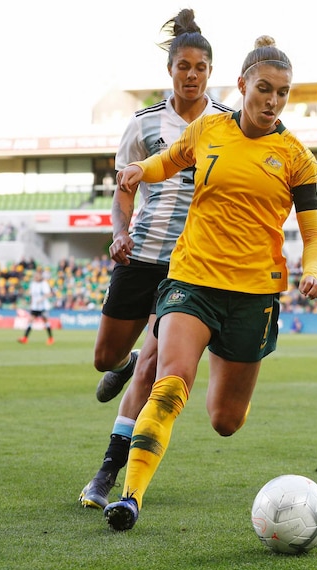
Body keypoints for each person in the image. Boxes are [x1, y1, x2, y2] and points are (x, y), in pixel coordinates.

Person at [102, 35, 317, 530]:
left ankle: (207, 384)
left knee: (226, 420)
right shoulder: (209, 129)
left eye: (283, 92)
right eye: (264, 88)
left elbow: (312, 234)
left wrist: (312, 272)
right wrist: (140, 169)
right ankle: (130, 497)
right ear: (242, 84)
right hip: (193, 278)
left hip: (254, 295)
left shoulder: (296, 157)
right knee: (170, 385)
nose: (272, 101)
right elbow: (172, 160)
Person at [78, 9, 233, 510]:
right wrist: (119, 233)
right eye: (184, 66)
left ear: (212, 72)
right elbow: (124, 190)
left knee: (151, 368)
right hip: (141, 253)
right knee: (108, 358)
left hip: (190, 265)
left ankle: (105, 475)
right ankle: (118, 366)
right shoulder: (143, 123)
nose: (192, 75)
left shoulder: (228, 123)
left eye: (201, 67)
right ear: (170, 71)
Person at [17, 269, 55, 345]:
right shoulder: (33, 284)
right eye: (35, 276)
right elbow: (32, 295)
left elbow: (49, 294)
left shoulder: (44, 284)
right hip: (35, 307)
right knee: (30, 320)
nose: (35, 277)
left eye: (37, 276)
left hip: (43, 306)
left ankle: (51, 338)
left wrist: (41, 299)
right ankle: (25, 338)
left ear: (40, 276)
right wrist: (30, 302)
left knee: (45, 321)